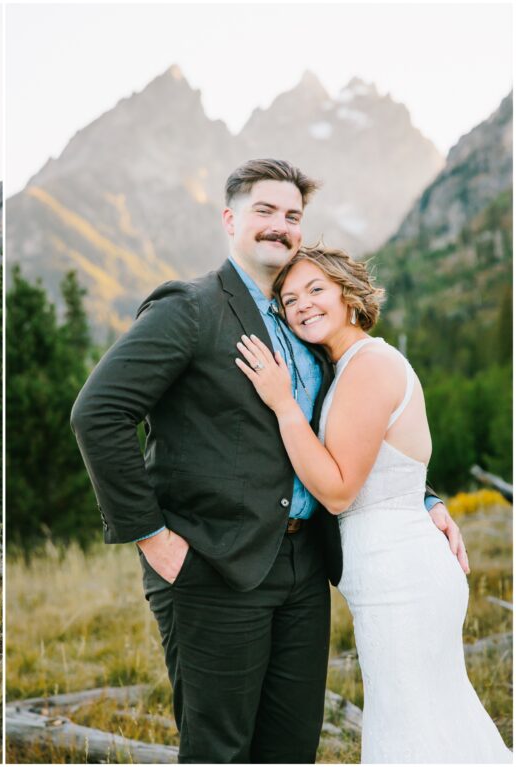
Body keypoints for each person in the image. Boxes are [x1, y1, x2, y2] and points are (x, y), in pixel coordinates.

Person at [70, 159, 468, 763]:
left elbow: (348, 431)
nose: (280, 227)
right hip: (212, 566)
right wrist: (152, 537)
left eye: (292, 216)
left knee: (290, 748)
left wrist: (422, 498)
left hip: (305, 566)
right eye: (265, 211)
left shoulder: (302, 323)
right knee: (221, 750)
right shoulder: (190, 308)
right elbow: (97, 413)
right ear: (231, 220)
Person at [234, 244, 510, 763]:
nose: (303, 306)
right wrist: (429, 500)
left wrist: (282, 404)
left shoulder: (369, 366)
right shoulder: (350, 366)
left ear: (348, 293)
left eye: (316, 290)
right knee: (429, 722)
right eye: (290, 299)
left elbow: (339, 490)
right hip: (391, 574)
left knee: (412, 731)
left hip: (401, 581)